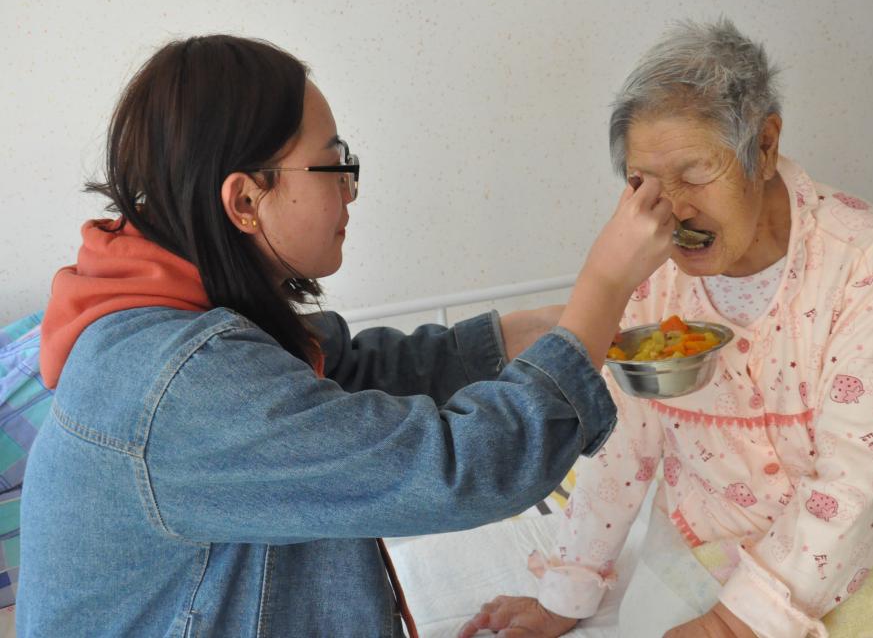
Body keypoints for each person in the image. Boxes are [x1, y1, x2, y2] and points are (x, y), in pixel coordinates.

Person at [17, 35, 678, 637]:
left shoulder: (164, 313)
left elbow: (347, 374)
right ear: (245, 201)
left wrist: (551, 326)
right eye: (333, 166)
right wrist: (604, 284)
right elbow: (458, 469)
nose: (351, 191)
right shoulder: (181, 385)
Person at [461, 18, 873, 638]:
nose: (672, 210)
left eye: (696, 173)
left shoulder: (864, 258)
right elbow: (619, 443)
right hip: (713, 534)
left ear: (765, 147)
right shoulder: (645, 264)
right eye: (643, 183)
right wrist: (566, 592)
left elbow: (860, 475)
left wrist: (730, 625)